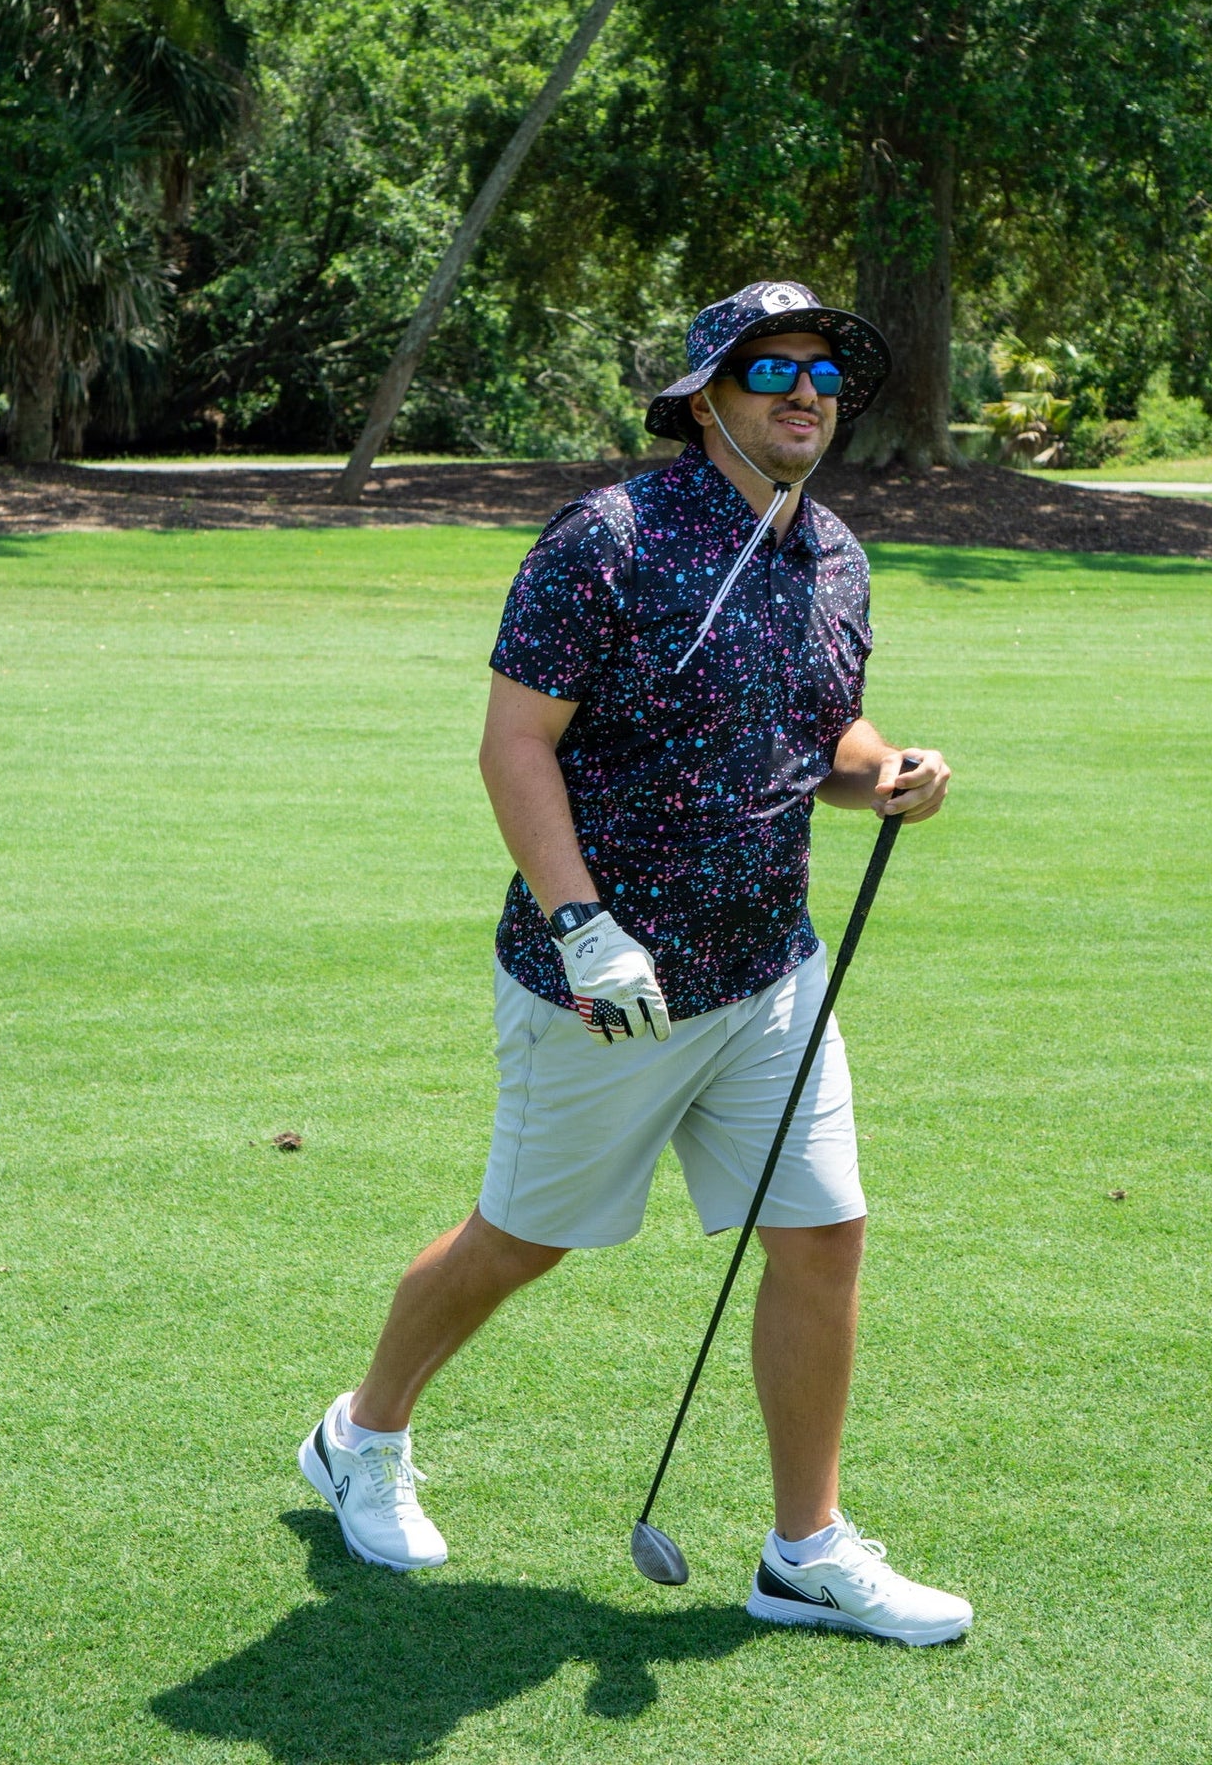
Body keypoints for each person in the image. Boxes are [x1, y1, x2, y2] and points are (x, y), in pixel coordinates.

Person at [300, 279, 973, 1647]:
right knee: (522, 1241)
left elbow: (815, 736)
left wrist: (884, 771)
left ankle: (803, 1550)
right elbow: (515, 743)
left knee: (823, 1234)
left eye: (825, 377)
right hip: (602, 984)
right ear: (707, 396)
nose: (804, 395)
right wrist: (580, 922)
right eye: (771, 370)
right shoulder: (604, 541)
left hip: (768, 972)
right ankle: (360, 1437)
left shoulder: (830, 553)